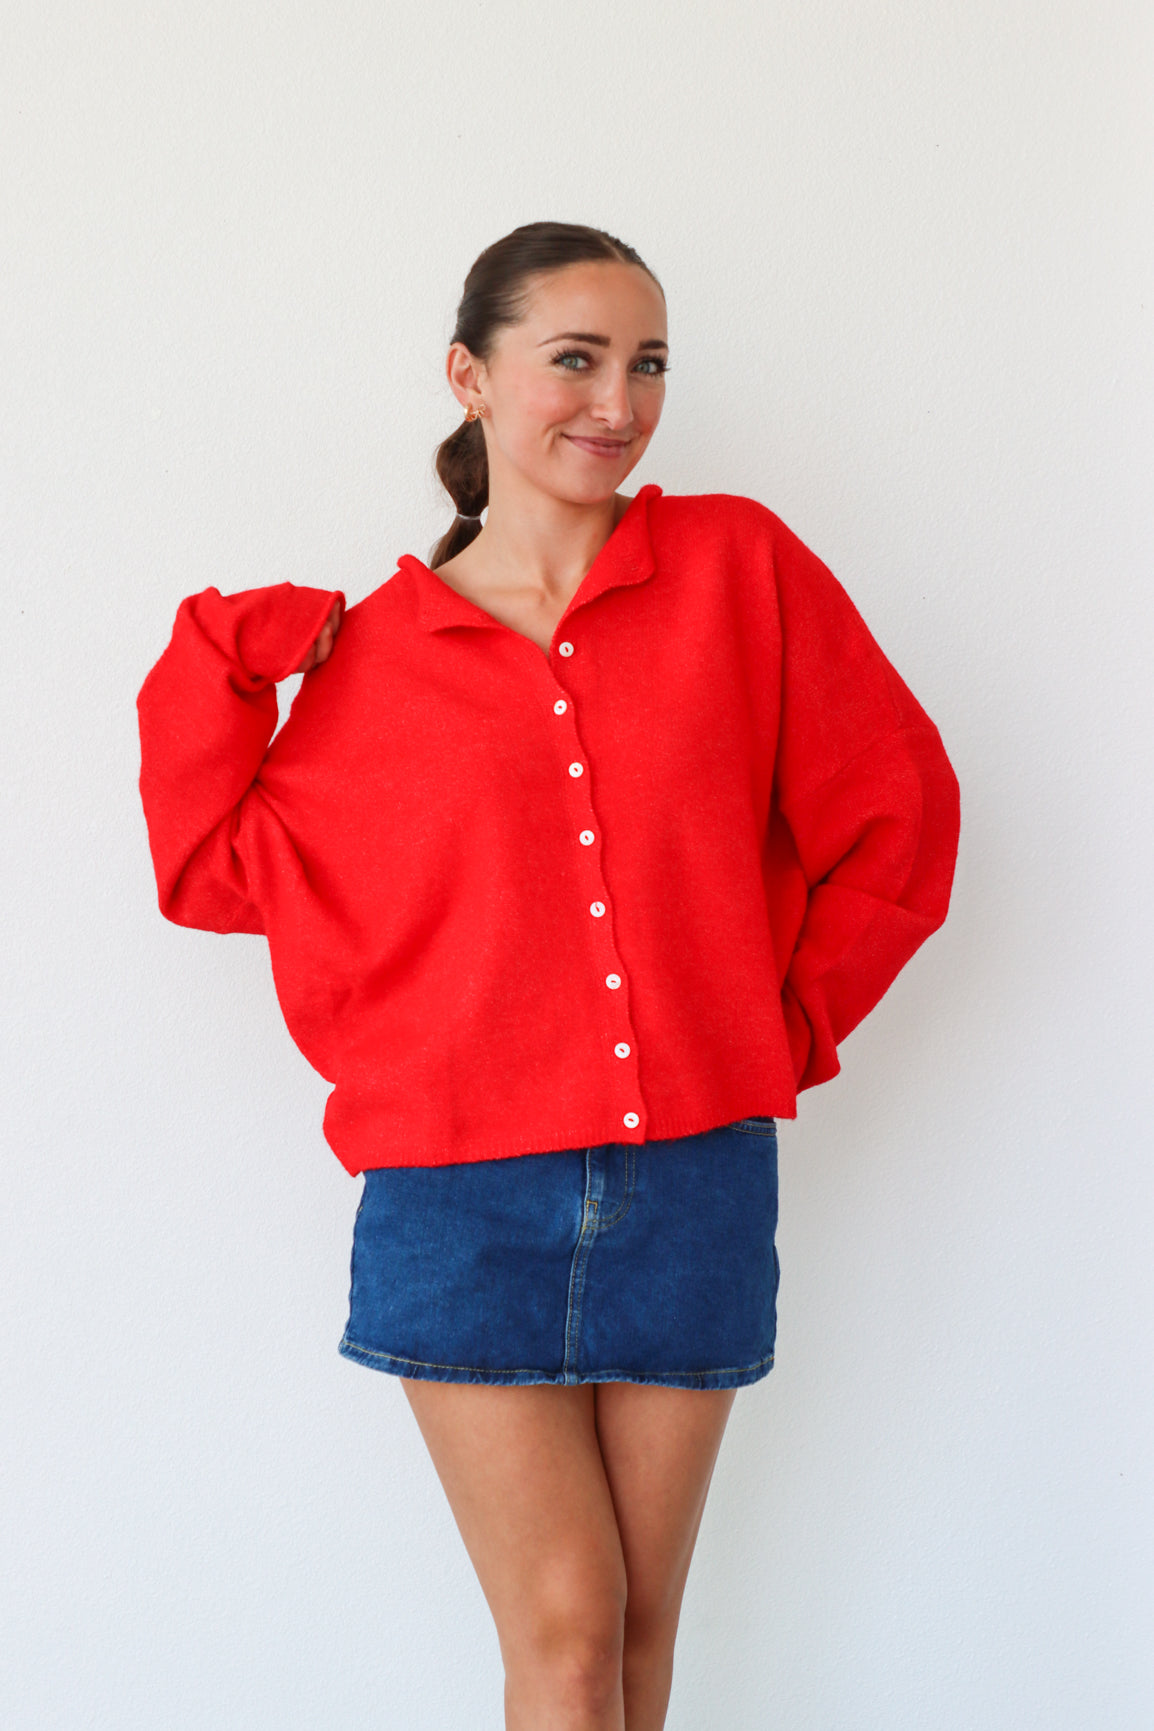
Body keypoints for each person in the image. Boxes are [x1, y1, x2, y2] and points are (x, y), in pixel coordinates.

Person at [136, 220, 961, 1731]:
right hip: (460, 1197)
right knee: (569, 1639)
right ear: (470, 376)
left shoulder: (736, 567)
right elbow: (213, 875)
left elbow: (897, 819)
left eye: (645, 363)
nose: (617, 401)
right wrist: (221, 654)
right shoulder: (375, 653)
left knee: (637, 1650)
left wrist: (771, 1028)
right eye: (571, 359)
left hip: (696, 1178)